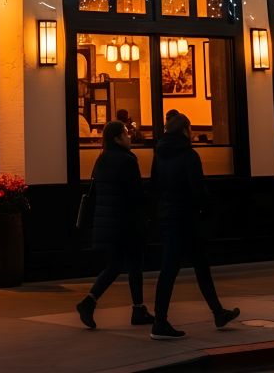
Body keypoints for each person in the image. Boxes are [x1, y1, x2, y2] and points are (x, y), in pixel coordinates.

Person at [149, 110, 238, 340]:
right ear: (185, 131)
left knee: (189, 265)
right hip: (186, 217)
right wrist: (207, 210)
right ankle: (160, 322)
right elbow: (197, 189)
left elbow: (155, 185)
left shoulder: (158, 154)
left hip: (168, 214)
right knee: (181, 268)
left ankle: (218, 312)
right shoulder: (189, 155)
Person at [76, 120, 153, 329]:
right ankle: (137, 309)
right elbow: (135, 194)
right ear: (118, 138)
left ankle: (90, 301)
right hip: (126, 220)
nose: (129, 137)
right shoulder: (127, 161)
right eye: (126, 134)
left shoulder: (101, 160)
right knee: (134, 264)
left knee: (116, 264)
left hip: (108, 221)